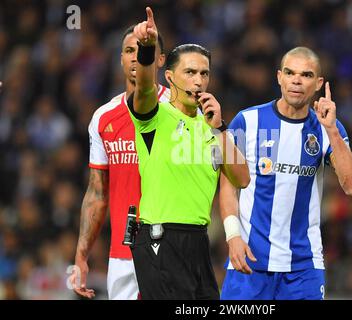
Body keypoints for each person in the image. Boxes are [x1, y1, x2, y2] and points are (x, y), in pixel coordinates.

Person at [220, 47, 352, 300]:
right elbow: (228, 186)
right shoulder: (246, 121)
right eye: (290, 73)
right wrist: (232, 236)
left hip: (303, 267)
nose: (296, 80)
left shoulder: (327, 128)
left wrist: (331, 130)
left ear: (319, 83)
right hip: (250, 262)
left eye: (306, 75)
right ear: (279, 77)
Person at [127, 7, 249, 300]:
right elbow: (143, 87)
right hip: (160, 238)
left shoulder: (214, 125)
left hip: (198, 241)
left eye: (204, 73)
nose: (198, 80)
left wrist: (220, 128)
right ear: (169, 77)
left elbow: (242, 179)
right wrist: (146, 48)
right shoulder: (154, 116)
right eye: (190, 72)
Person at [70, 25, 170, 300]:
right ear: (121, 59)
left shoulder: (179, 111)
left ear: (160, 59)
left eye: (145, 49)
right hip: (122, 255)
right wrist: (81, 254)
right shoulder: (103, 118)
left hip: (170, 249)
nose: (136, 57)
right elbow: (97, 192)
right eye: (129, 50)